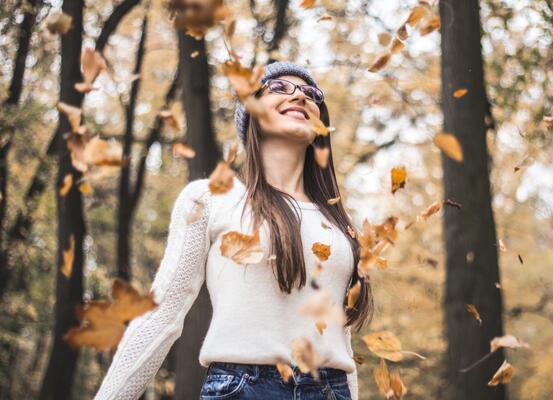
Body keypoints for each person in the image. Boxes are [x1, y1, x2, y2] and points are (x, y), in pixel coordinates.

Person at [93, 61, 373, 400]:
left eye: (312, 94)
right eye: (281, 88)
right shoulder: (211, 199)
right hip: (243, 388)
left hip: (331, 389)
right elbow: (161, 315)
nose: (301, 95)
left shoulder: (340, 227)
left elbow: (340, 340)